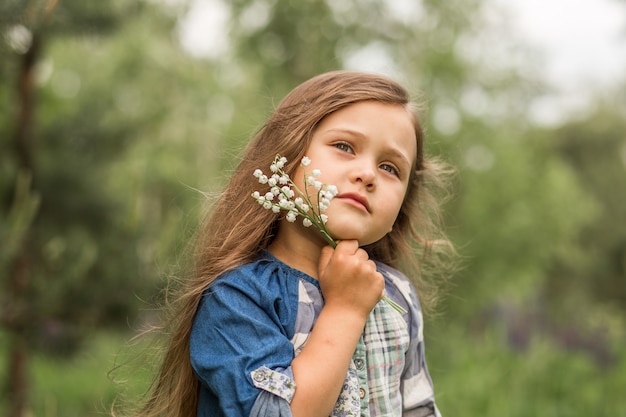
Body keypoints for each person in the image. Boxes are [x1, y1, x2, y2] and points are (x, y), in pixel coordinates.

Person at [129, 70, 454, 417]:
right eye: (344, 147)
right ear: (287, 155)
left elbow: (419, 408)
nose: (368, 174)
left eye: (390, 167)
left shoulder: (397, 296)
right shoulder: (237, 297)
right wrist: (346, 309)